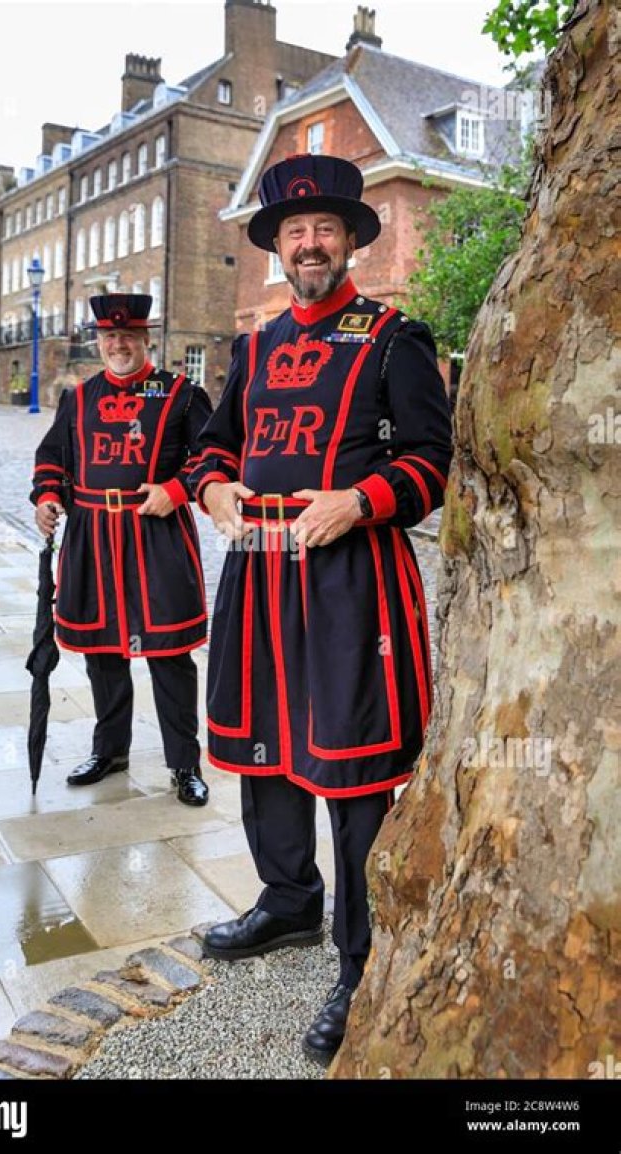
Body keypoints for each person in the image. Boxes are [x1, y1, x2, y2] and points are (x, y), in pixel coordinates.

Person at [190, 154, 453, 1063]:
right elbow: (212, 447)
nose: (309, 244)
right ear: (278, 245)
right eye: (294, 232)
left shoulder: (393, 338)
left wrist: (361, 500)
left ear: (348, 242)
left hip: (350, 578)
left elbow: (430, 462)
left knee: (350, 766)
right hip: (258, 569)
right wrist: (213, 489)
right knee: (263, 746)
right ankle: (288, 901)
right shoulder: (256, 346)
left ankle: (362, 961)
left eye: (324, 230)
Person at [31, 293, 212, 806]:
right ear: (99, 341)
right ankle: (110, 751)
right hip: (92, 537)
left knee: (169, 654)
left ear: (144, 338)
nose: (118, 344)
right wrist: (47, 496)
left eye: (128, 335)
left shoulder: (181, 394)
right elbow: (52, 456)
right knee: (102, 651)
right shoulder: (79, 398)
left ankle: (184, 763)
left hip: (156, 537)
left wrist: (175, 489)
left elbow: (214, 456)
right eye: (110, 336)